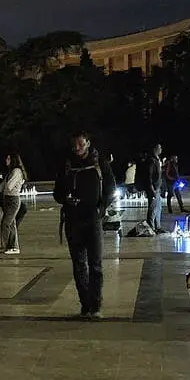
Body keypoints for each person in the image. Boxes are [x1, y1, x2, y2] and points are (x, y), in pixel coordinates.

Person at [53, 132, 115, 319]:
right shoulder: (66, 165)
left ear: (88, 143)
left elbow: (110, 187)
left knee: (95, 264)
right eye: (74, 145)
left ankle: (95, 305)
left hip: (93, 219)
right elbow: (57, 193)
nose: (77, 148)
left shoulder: (99, 163)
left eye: (80, 144)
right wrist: (66, 199)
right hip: (73, 220)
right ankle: (85, 304)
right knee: (79, 265)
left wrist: (101, 207)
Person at [0, 153, 27, 255]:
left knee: (7, 223)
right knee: (11, 223)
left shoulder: (16, 171)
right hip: (7, 199)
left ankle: (12, 246)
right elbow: (3, 186)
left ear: (13, 160)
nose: (6, 160)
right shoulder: (11, 171)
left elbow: (9, 186)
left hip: (13, 200)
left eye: (8, 158)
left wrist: (4, 187)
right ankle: (9, 246)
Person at [144, 143, 165, 233]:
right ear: (154, 149)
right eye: (159, 147)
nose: (161, 149)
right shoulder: (151, 160)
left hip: (157, 188)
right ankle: (151, 227)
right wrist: (151, 187)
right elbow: (149, 175)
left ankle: (158, 226)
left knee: (158, 208)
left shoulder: (157, 159)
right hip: (153, 188)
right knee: (152, 208)